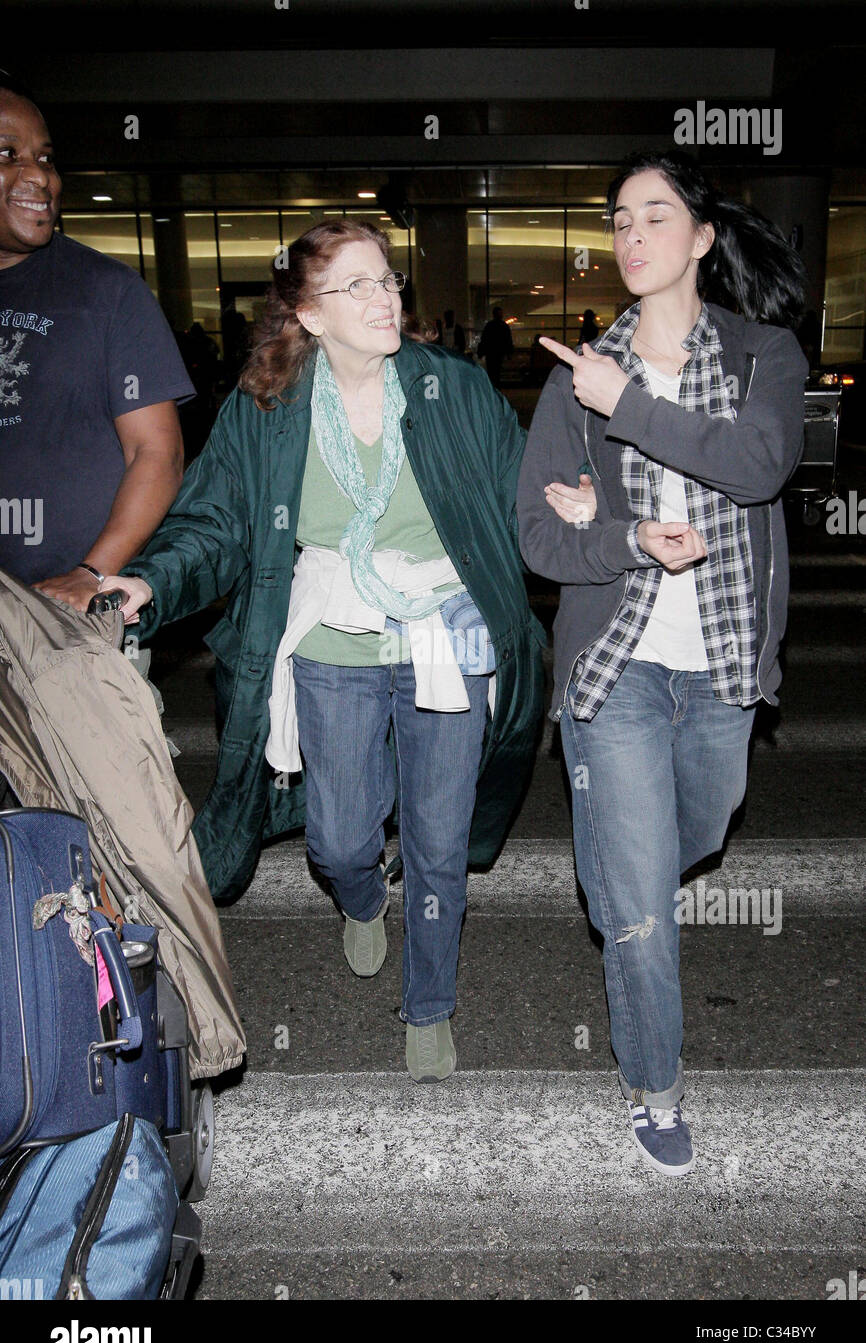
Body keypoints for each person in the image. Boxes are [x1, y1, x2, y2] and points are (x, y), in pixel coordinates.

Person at [100, 219, 545, 1083]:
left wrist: (577, 510)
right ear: (308, 313)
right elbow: (215, 519)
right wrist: (149, 583)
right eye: (358, 287)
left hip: (444, 630)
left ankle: (430, 1003)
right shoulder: (266, 408)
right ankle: (361, 895)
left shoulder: (451, 387)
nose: (385, 299)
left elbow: (521, 495)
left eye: (389, 281)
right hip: (331, 635)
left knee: (438, 839)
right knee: (340, 838)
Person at [517, 151, 808, 1176]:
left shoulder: (763, 354)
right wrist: (627, 539)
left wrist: (629, 405)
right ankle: (653, 1085)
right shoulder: (573, 374)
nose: (630, 233)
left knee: (699, 824)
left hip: (723, 665)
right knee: (641, 900)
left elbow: (758, 465)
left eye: (653, 215)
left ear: (698, 238)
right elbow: (539, 543)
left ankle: (618, 861)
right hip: (617, 669)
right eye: (616, 219)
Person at [0, 71, 192, 612]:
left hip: (68, 620)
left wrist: (92, 572)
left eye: (44, 157)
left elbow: (158, 451)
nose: (36, 175)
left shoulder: (107, 292)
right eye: (8, 153)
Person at [477, 305, 513, 388]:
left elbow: (484, 339)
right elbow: (508, 340)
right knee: (497, 371)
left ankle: (493, 386)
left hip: (491, 352)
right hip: (499, 352)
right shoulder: (503, 326)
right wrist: (509, 353)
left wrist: (481, 352)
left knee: (491, 371)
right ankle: (496, 387)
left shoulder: (490, 325)